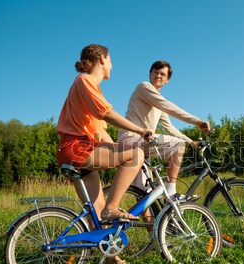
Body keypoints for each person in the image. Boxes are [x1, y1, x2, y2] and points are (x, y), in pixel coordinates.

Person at [56, 44, 154, 235]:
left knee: (97, 214)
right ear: (101, 59)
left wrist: (122, 152)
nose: (111, 65)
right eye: (110, 60)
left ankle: (109, 256)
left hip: (77, 152)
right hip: (76, 148)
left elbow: (101, 134)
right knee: (135, 155)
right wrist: (141, 131)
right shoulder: (84, 81)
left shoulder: (91, 91)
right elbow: (106, 113)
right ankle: (113, 208)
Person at [118, 60, 211, 199]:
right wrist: (196, 121)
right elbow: (166, 105)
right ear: (150, 74)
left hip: (141, 145)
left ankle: (149, 221)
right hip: (132, 138)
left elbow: (169, 128)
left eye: (163, 74)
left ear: (167, 80)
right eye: (155, 72)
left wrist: (192, 142)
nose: (158, 76)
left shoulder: (157, 102)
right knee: (178, 145)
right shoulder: (144, 87)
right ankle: (172, 192)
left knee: (144, 195)